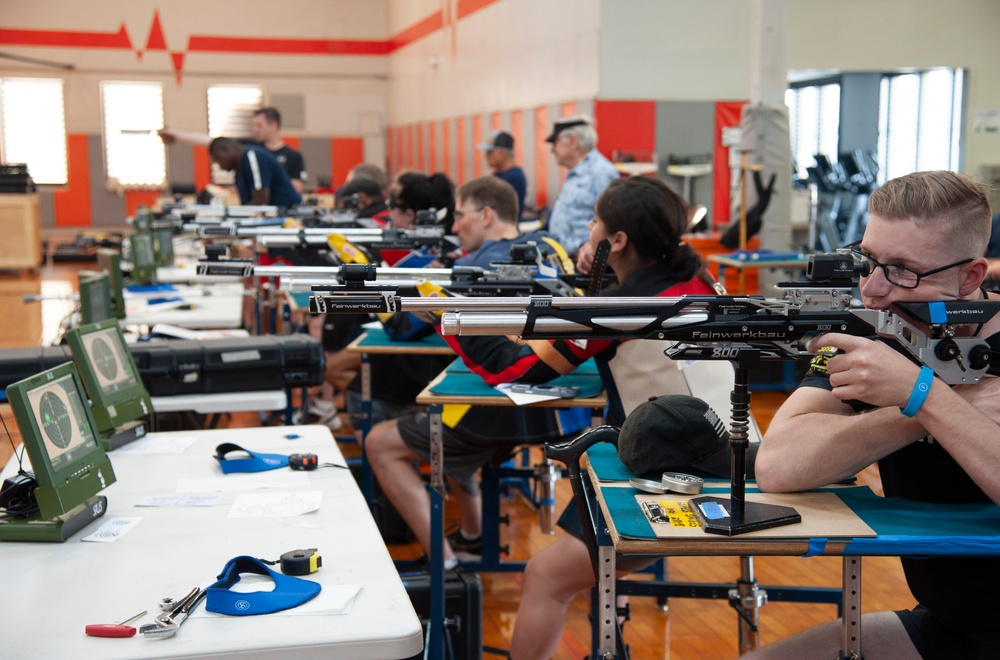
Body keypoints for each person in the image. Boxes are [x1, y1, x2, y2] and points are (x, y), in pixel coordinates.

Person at [747, 170, 1000, 659]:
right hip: (951, 628)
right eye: (867, 261)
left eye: (904, 270)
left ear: (970, 277)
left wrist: (919, 393)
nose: (874, 289)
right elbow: (778, 464)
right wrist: (921, 402)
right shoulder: (876, 334)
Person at [363, 175, 586, 571]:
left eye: (460, 215)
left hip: (509, 407)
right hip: (569, 407)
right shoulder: (552, 245)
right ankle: (471, 537)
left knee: (382, 442)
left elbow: (403, 328)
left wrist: (407, 284)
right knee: (443, 417)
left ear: (485, 215)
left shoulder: (477, 266)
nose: (453, 227)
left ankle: (444, 569)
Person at [159, 106, 307, 193]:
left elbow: (296, 188)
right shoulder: (249, 147)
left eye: (259, 125)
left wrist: (262, 185)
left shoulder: (293, 155)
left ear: (273, 125)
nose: (254, 129)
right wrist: (175, 134)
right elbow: (213, 141)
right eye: (253, 125)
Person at [545, 114, 620, 261]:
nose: (552, 149)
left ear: (572, 142)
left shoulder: (601, 173)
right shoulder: (576, 171)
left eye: (555, 142)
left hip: (587, 262)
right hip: (567, 259)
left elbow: (614, 221)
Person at [208, 137, 302, 208]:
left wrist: (235, 213)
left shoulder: (252, 156)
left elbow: (260, 200)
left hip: (291, 213)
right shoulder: (239, 168)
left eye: (217, 160)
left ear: (224, 150)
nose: (220, 166)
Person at [478, 130, 527, 219]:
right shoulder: (498, 174)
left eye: (490, 152)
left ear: (502, 153)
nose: (486, 156)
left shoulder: (514, 177)